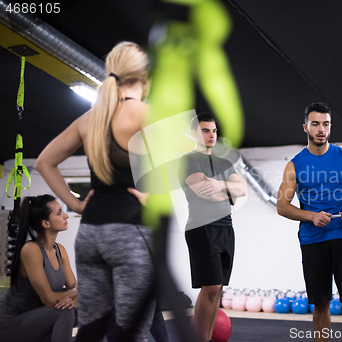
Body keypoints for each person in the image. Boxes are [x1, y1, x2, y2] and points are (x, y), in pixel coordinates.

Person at [35, 42, 163, 342]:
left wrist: (76, 205)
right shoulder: (145, 112)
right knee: (134, 333)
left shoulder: (89, 118)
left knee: (92, 331)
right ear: (145, 78)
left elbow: (44, 162)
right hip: (130, 233)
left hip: (90, 235)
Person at [277, 102, 342, 342]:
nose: (321, 129)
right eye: (316, 124)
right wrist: (311, 216)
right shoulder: (294, 165)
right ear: (305, 127)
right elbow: (282, 206)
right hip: (313, 239)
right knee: (321, 303)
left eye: (326, 124)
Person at [178, 112, 246, 342]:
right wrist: (228, 192)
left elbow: (242, 190)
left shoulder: (224, 163)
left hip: (226, 228)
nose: (211, 135)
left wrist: (218, 184)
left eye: (214, 130)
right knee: (211, 286)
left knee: (218, 289)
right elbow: (204, 192)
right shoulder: (188, 160)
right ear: (193, 133)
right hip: (201, 228)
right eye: (205, 130)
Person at [0, 195, 77, 342]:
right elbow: (49, 299)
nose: (66, 215)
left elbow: (74, 289)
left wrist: (75, 298)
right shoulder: (31, 250)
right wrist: (76, 291)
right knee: (64, 309)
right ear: (46, 223)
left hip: (36, 318)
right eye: (59, 212)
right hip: (10, 326)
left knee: (90, 303)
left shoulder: (60, 250)